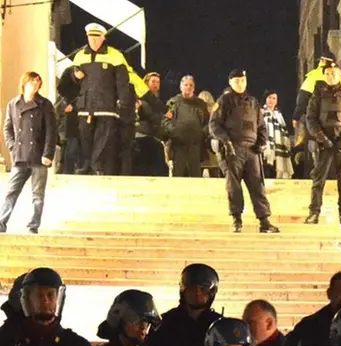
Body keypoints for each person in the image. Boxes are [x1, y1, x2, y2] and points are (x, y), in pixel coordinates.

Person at [63, 22, 147, 175]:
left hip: (106, 105)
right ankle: (88, 164)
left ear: (103, 38)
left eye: (97, 37)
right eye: (90, 37)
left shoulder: (114, 55)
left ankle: (96, 165)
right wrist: (75, 76)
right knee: (85, 136)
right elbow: (69, 81)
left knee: (103, 138)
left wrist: (123, 103)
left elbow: (122, 81)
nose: (93, 40)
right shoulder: (80, 55)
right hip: (86, 105)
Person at [210, 69, 279, 233]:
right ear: (230, 82)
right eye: (236, 81)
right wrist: (225, 141)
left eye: (242, 80)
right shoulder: (224, 100)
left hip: (252, 150)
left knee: (257, 185)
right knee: (234, 186)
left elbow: (261, 126)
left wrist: (261, 143)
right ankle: (237, 219)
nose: (240, 83)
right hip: (233, 149)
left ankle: (264, 221)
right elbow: (214, 125)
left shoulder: (253, 102)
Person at [303, 60, 341, 225]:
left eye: (334, 73)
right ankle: (314, 213)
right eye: (328, 74)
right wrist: (322, 138)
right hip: (324, 144)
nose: (331, 76)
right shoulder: (318, 95)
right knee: (318, 180)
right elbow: (311, 119)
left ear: (340, 75)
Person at [1, 71, 56, 235]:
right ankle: (2, 222)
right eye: (32, 81)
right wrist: (12, 147)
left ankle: (33, 225)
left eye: (38, 82)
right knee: (11, 191)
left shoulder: (45, 105)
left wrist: (48, 154)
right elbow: (7, 129)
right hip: (20, 156)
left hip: (39, 156)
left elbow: (51, 132)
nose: (35, 84)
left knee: (37, 195)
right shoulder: (14, 104)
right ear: (24, 83)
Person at [163, 75, 210, 178]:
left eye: (191, 85)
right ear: (181, 86)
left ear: (194, 88)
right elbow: (166, 121)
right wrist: (174, 132)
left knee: (195, 176)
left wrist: (202, 134)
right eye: (186, 85)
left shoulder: (201, 104)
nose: (188, 87)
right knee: (178, 175)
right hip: (178, 145)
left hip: (195, 146)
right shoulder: (173, 103)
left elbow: (208, 123)